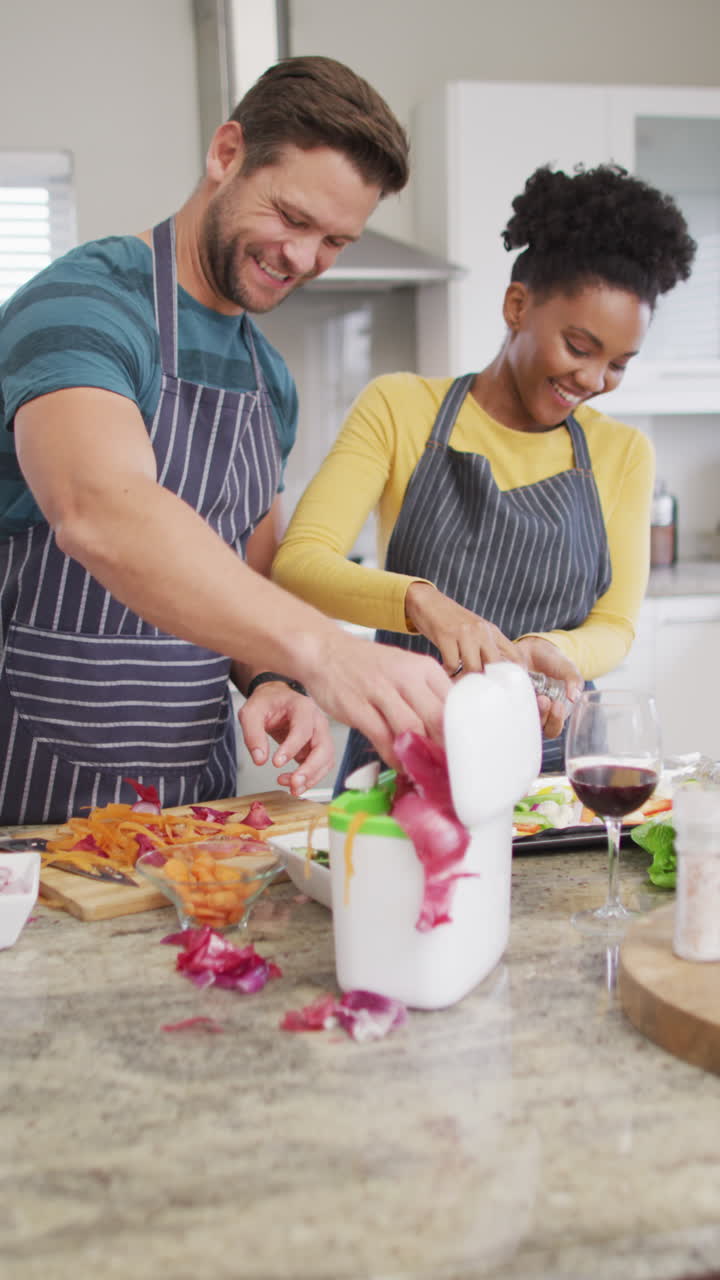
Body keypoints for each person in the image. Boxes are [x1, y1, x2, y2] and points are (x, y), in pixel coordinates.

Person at [0, 56, 450, 826]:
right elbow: (100, 506)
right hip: (31, 809)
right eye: (293, 218)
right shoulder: (82, 306)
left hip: (194, 812)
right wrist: (326, 651)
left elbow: (254, 574)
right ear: (226, 154)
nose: (305, 259)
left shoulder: (267, 378)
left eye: (336, 240)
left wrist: (279, 681)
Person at [272, 163, 696, 789]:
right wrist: (424, 604)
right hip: (404, 757)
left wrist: (553, 653)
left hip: (553, 772)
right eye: (579, 347)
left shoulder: (622, 451)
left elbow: (616, 622)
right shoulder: (401, 407)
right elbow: (299, 562)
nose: (593, 380)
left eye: (618, 364)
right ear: (517, 306)